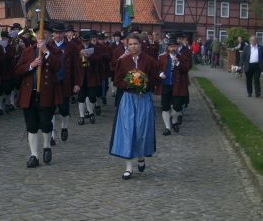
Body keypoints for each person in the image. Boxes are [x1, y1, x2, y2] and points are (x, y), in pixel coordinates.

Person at [109, 32, 159, 180]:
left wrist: (144, 84)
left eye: (135, 44)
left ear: (140, 44)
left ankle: (141, 156)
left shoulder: (149, 61)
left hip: (143, 99)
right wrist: (130, 83)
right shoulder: (123, 61)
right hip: (128, 99)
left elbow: (155, 80)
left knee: (142, 130)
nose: (133, 46)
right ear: (127, 45)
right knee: (128, 130)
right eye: (130, 44)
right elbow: (117, 81)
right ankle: (129, 167)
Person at [15, 28, 63, 167]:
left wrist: (46, 52)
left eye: (45, 33)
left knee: (45, 123)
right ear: (35, 36)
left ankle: (47, 146)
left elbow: (58, 66)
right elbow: (17, 70)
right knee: (31, 126)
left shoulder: (55, 51)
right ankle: (34, 155)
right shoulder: (28, 51)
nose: (41, 36)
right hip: (29, 93)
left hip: (47, 94)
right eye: (38, 34)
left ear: (49, 36)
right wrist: (31, 65)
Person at [47, 22, 81, 143]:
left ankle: (64, 127)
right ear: (53, 34)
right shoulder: (48, 46)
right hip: (51, 83)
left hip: (65, 82)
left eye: (61, 33)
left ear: (64, 33)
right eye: (56, 33)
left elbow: (77, 66)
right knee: (50, 109)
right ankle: (51, 134)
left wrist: (77, 83)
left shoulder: (71, 47)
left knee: (64, 109)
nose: (58, 35)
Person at [156, 37, 191, 135]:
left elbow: (186, 69)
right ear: (168, 47)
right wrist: (160, 74)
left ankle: (174, 120)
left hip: (178, 86)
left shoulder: (182, 57)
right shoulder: (162, 57)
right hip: (166, 85)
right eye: (171, 47)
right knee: (165, 107)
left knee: (177, 107)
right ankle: (167, 128)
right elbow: (157, 68)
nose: (173, 49)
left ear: (177, 47)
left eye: (175, 46)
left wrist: (178, 63)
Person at [74, 31, 102, 124]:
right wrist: (79, 55)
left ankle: (91, 113)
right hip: (81, 76)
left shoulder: (95, 48)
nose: (85, 42)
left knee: (92, 97)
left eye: (87, 40)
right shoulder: (77, 48)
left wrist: (89, 57)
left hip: (92, 76)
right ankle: (81, 116)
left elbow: (99, 59)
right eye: (83, 41)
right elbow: (74, 62)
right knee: (81, 97)